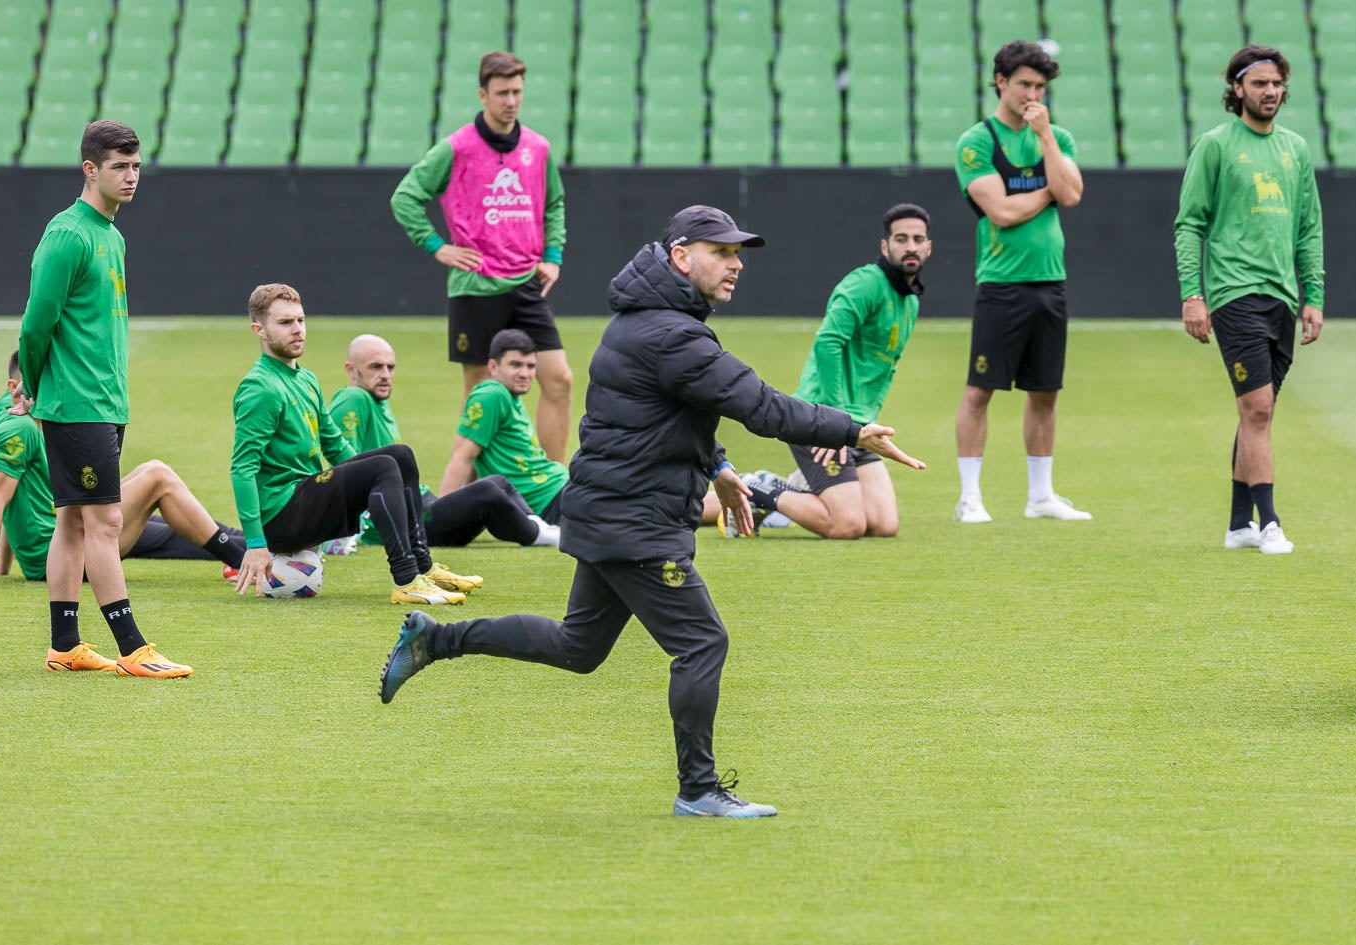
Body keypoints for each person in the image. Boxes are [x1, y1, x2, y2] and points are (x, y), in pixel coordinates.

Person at [377, 206, 925, 818]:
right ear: (682, 256)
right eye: (723, 252)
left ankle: (437, 640)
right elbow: (760, 406)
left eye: (739, 253)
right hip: (633, 523)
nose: (737, 264)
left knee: (578, 646)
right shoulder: (672, 334)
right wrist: (853, 430)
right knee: (701, 643)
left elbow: (669, 412)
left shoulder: (648, 322)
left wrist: (718, 466)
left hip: (609, 512)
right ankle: (698, 791)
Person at [12, 120, 191, 677]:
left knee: (72, 521)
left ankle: (65, 645)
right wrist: (36, 390)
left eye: (136, 166)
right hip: (74, 404)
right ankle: (133, 647)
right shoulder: (68, 234)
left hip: (104, 403)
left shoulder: (112, 236)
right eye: (120, 166)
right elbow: (35, 327)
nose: (132, 176)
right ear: (90, 169)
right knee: (106, 522)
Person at [229, 283, 480, 604]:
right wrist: (255, 542)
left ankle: (424, 568)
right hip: (281, 517)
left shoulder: (305, 379)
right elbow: (242, 467)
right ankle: (406, 580)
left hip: (303, 498)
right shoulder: (261, 388)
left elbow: (335, 446)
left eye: (301, 321)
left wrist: (368, 478)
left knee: (399, 456)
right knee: (384, 465)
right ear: (258, 330)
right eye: (285, 323)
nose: (297, 330)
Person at [1173, 45, 1324, 555]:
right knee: (1257, 408)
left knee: (1257, 412)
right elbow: (1189, 223)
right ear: (1237, 88)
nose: (1271, 92)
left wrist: (1313, 294)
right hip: (1234, 293)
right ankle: (1270, 523)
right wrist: (1194, 295)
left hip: (1281, 296)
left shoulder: (1296, 148)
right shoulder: (1215, 145)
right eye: (1259, 83)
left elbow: (1309, 228)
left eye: (1277, 83)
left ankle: (1238, 524)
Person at [389, 50, 572, 462]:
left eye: (517, 92)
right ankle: (471, 490)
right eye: (503, 92)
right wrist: (437, 246)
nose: (511, 101)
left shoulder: (538, 148)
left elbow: (554, 204)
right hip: (475, 286)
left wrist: (553, 255)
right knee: (479, 392)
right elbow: (405, 197)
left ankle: (555, 488)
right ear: (483, 95)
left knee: (558, 379)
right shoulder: (456, 148)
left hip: (527, 283)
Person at [952, 40, 1088, 524]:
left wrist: (1046, 138)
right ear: (1001, 83)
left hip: (1050, 282)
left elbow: (1072, 195)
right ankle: (970, 497)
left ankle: (1041, 496)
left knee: (1045, 391)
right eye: (1025, 84)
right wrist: (1050, 191)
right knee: (980, 390)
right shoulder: (977, 141)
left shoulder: (1056, 136)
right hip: (1001, 284)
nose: (1033, 94)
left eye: (1040, 86)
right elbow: (1003, 212)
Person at [737, 204, 933, 539]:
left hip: (860, 425)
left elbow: (883, 370)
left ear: (928, 247)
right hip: (820, 418)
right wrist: (834, 422)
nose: (911, 246)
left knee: (884, 525)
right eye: (901, 239)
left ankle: (786, 490)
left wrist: (863, 423)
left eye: (918, 239)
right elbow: (828, 343)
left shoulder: (910, 301)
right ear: (885, 246)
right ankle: (758, 488)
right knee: (847, 525)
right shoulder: (865, 284)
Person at [0, 353, 246, 587]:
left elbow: (11, 490)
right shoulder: (17, 428)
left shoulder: (13, 413)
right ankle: (243, 560)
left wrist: (3, 566)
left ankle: (261, 547)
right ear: (15, 387)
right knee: (157, 476)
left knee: (164, 519)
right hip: (61, 555)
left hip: (66, 531)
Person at [327, 333, 559, 549]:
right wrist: (346, 533)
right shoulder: (352, 398)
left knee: (499, 482)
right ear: (351, 369)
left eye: (391, 367)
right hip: (405, 520)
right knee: (488, 491)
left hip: (419, 504)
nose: (386, 375)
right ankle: (544, 535)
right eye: (376, 367)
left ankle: (543, 527)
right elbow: (344, 468)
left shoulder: (374, 399)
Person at [438, 329, 568, 527]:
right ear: (493, 366)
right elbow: (463, 455)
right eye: (515, 365)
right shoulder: (492, 394)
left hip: (560, 489)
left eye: (530, 366)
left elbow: (476, 458)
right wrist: (439, 515)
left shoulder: (510, 394)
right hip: (551, 501)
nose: (525, 374)